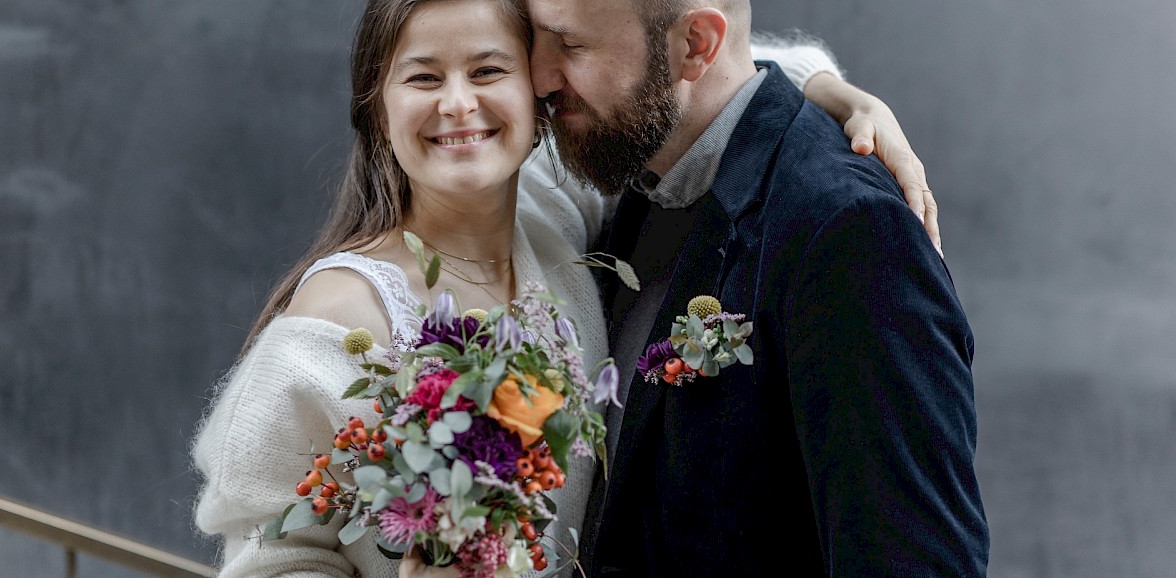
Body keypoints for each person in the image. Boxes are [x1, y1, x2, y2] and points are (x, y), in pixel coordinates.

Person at [190, 0, 945, 576]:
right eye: (422, 77)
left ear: (530, 97)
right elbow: (266, 553)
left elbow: (686, 73)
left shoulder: (561, 212)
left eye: (491, 71)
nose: (460, 104)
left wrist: (834, 93)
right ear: (374, 106)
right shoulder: (332, 324)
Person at [525, 0, 990, 576]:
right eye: (535, 37)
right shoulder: (642, 165)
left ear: (695, 45)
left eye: (569, 47)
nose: (539, 77)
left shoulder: (846, 229)